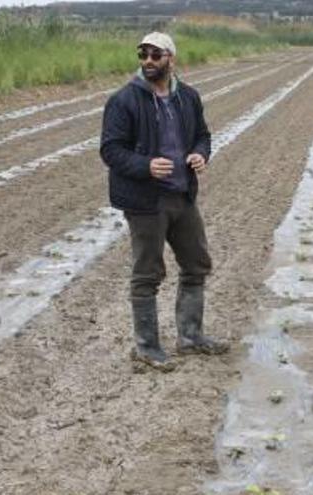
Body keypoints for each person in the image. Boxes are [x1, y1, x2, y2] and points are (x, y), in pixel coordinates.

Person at [99, 32, 229, 372]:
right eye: (143, 55)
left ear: (171, 58)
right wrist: (145, 166)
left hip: (182, 195)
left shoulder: (188, 97)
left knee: (196, 264)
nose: (148, 61)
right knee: (147, 273)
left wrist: (201, 154)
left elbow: (202, 135)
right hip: (145, 201)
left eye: (156, 55)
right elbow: (110, 150)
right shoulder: (124, 100)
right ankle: (146, 347)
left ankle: (190, 337)